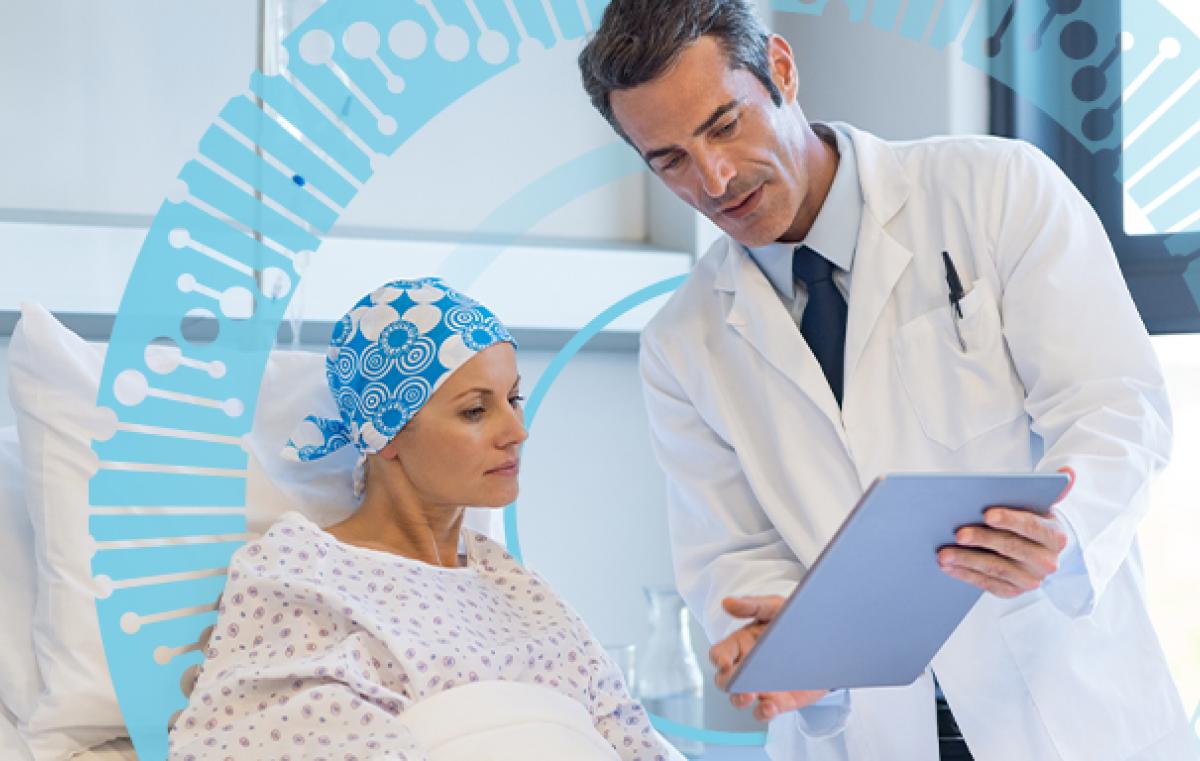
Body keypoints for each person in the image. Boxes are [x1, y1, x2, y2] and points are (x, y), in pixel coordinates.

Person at [578, 2, 1195, 760]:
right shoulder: (682, 343)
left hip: (1065, 713)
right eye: (670, 160)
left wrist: (1064, 532)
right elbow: (733, 552)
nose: (714, 178)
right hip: (862, 736)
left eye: (725, 125)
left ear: (781, 70)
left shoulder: (995, 188)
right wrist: (784, 641)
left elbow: (1113, 405)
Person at [168, 278, 683, 761]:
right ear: (386, 432)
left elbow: (629, 735)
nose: (516, 432)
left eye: (514, 399)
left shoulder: (517, 588)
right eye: (475, 411)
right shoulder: (300, 577)